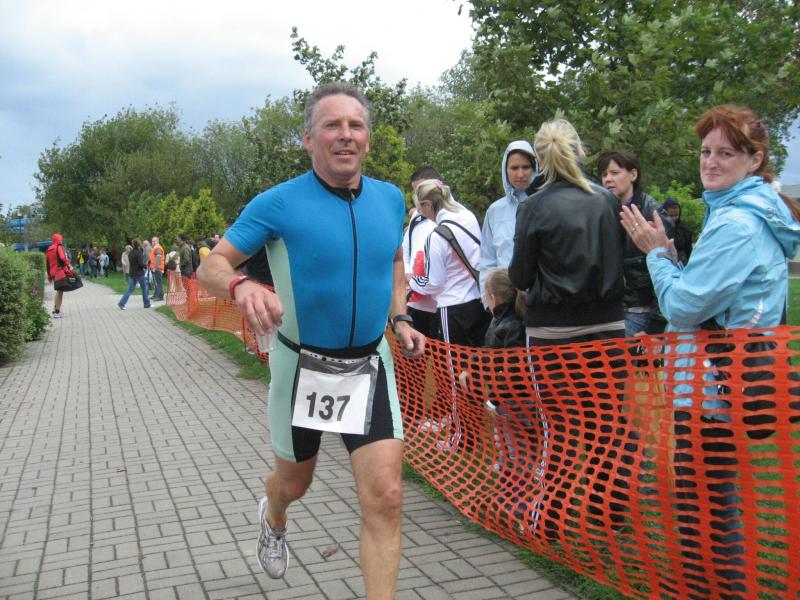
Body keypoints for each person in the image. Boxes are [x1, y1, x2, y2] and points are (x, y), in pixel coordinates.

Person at [196, 82, 425, 599]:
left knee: (387, 495)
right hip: (303, 367)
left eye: (356, 125)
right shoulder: (278, 203)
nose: (346, 135)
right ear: (308, 139)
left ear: (368, 138)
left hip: (369, 365)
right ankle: (273, 515)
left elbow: (393, 261)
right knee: (295, 483)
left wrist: (400, 317)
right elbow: (212, 265)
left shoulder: (390, 199)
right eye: (332, 125)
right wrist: (241, 285)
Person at [621, 104, 800, 592]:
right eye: (705, 151)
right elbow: (707, 294)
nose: (711, 162)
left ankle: (716, 590)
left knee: (705, 513)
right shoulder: (748, 214)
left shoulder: (736, 224)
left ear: (754, 159)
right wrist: (671, 256)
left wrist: (656, 256)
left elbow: (683, 306)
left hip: (710, 392)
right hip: (724, 383)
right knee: (713, 505)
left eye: (726, 153)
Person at [510, 120, 626, 346]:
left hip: (553, 328)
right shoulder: (607, 201)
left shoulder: (532, 207)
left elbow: (520, 277)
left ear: (539, 159)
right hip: (608, 324)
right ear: (579, 151)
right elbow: (621, 259)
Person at [598, 149, 673, 336]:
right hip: (609, 311)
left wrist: (656, 326)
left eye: (615, 173)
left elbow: (667, 266)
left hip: (641, 312)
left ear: (633, 174)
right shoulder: (601, 212)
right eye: (604, 174)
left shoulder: (653, 213)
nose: (608, 179)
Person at [408, 179, 489, 345]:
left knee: (454, 361)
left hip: (452, 307)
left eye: (421, 210)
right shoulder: (468, 217)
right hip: (478, 300)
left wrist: (412, 280)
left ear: (428, 205)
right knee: (478, 358)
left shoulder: (436, 236)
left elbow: (434, 283)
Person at [480, 141, 537, 296]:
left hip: (538, 297)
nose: (520, 174)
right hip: (505, 299)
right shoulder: (495, 211)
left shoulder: (545, 205)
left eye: (526, 167)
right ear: (505, 169)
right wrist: (488, 300)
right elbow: (487, 260)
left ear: (534, 168)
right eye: (514, 168)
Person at [402, 166, 442, 337]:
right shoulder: (416, 218)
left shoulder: (450, 216)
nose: (418, 197)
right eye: (415, 191)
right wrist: (407, 273)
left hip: (439, 304)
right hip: (415, 303)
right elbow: (405, 249)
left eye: (422, 190)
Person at [117, 239, 151, 310]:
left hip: (131, 273)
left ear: (133, 245)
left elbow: (133, 263)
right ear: (139, 244)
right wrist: (146, 265)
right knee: (144, 288)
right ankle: (147, 304)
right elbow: (140, 264)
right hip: (139, 273)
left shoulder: (131, 253)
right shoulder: (139, 253)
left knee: (130, 289)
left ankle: (121, 303)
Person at [45, 233, 73, 318]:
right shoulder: (59, 247)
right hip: (59, 271)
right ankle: (57, 312)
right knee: (60, 291)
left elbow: (47, 263)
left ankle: (55, 309)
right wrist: (68, 266)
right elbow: (63, 258)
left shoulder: (49, 249)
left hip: (53, 272)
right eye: (61, 239)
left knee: (59, 290)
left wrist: (49, 275)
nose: (62, 240)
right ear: (59, 239)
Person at [662, 197, 693, 264]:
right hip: (666, 263)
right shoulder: (661, 230)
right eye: (671, 216)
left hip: (683, 262)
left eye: (676, 215)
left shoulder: (684, 229)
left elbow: (689, 249)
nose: (674, 218)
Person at [149, 236, 165, 301]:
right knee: (156, 283)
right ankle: (156, 295)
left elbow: (158, 258)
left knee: (158, 283)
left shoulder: (158, 248)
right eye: (152, 241)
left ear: (158, 241)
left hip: (158, 268)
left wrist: (155, 267)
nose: (153, 242)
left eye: (154, 241)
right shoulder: (155, 248)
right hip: (155, 268)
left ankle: (160, 296)